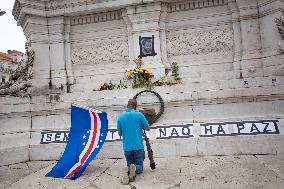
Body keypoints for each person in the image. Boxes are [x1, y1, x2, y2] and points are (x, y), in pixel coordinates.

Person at [117, 98, 149, 184]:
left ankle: (127, 170)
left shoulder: (120, 117)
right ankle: (135, 169)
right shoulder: (139, 115)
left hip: (127, 148)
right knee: (139, 168)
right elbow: (147, 128)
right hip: (138, 146)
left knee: (130, 164)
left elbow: (120, 133)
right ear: (135, 106)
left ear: (127, 105)